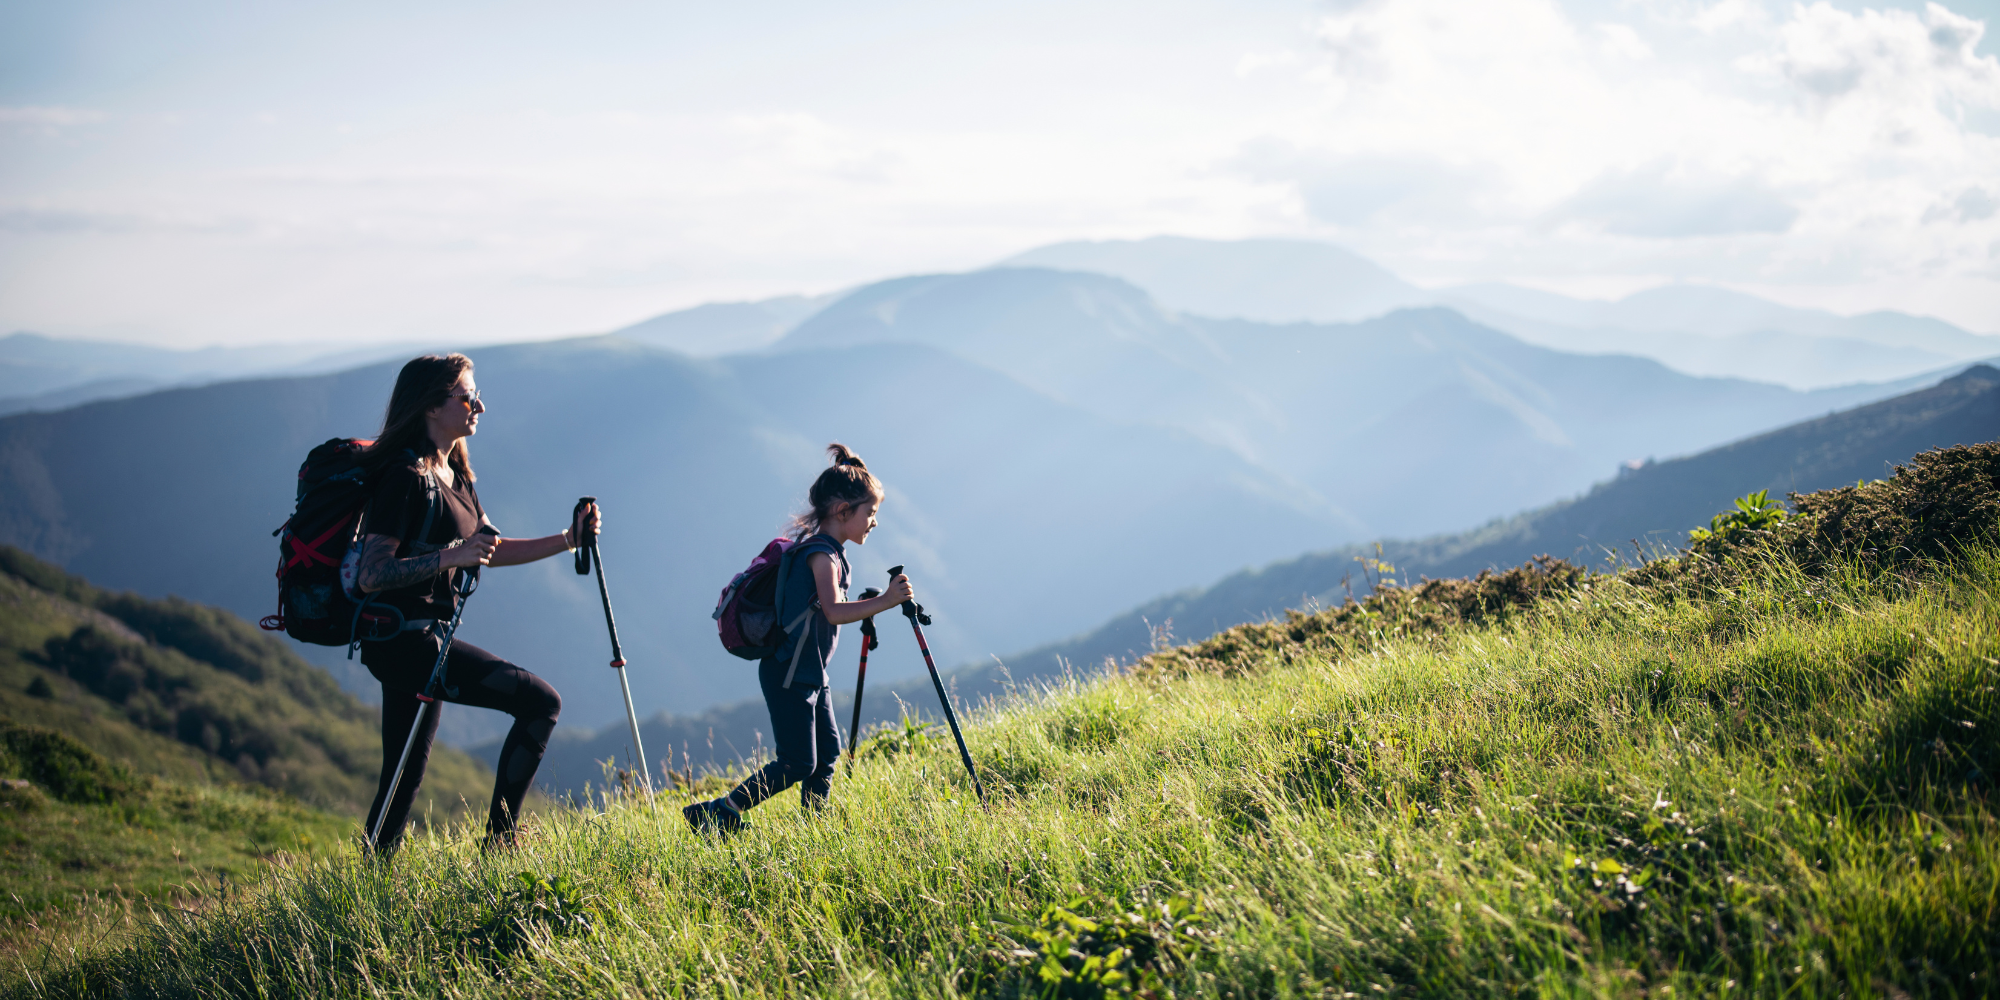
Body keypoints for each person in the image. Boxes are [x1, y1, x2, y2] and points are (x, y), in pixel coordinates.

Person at [355, 353, 599, 854]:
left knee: (404, 773)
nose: (479, 406)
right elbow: (371, 574)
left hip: (423, 640)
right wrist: (450, 556)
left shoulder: (455, 473)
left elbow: (489, 549)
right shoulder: (404, 477)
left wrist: (567, 539)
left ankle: (370, 882)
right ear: (430, 406)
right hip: (403, 639)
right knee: (540, 702)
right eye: (467, 396)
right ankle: (499, 848)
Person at [684, 443, 911, 833]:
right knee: (797, 762)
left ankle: (814, 829)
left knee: (826, 756)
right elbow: (834, 611)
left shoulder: (828, 551)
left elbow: (826, 606)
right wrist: (887, 602)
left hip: (807, 672)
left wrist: (867, 604)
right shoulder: (822, 555)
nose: (874, 522)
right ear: (843, 511)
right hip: (790, 674)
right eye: (870, 513)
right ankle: (721, 810)